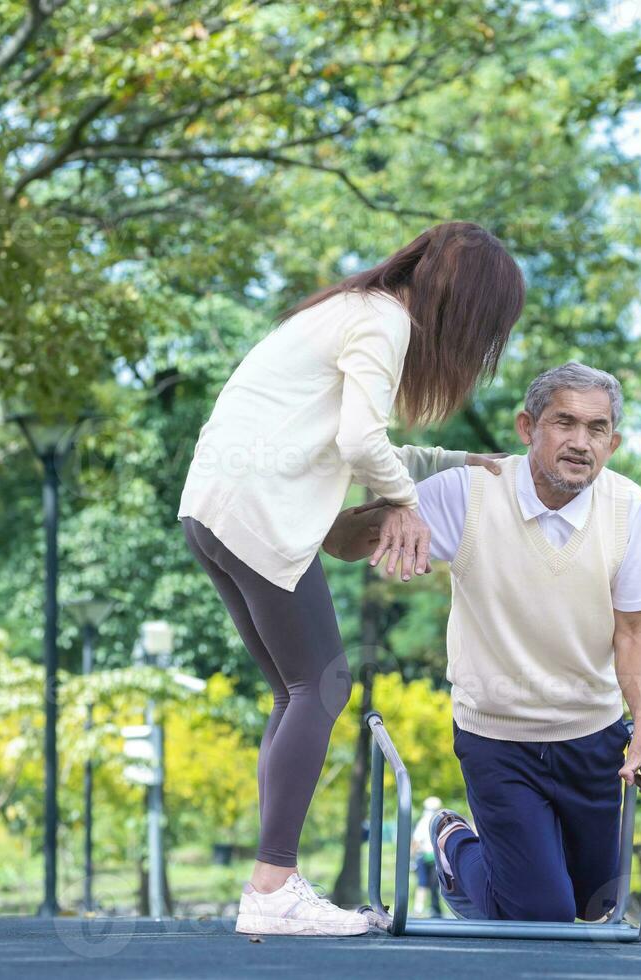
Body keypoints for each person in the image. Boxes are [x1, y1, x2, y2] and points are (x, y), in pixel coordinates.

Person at [177, 222, 525, 937]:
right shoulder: (385, 322)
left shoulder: (348, 309)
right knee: (323, 684)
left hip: (211, 508)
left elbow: (356, 440)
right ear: (466, 305)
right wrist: (403, 504)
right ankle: (273, 887)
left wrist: (454, 462)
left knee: (294, 690)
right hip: (260, 513)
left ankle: (272, 883)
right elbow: (361, 443)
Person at [325, 362, 641, 923]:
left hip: (593, 735)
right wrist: (393, 510)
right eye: (564, 422)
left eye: (597, 428)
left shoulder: (627, 507)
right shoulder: (470, 492)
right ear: (527, 427)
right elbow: (339, 545)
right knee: (543, 917)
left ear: (614, 441)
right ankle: (454, 845)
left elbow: (636, 631)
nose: (581, 443)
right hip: (497, 737)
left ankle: (529, 871)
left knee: (595, 906)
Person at [411, 797, 446, 918]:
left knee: (424, 883)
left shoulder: (424, 820)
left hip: (426, 856)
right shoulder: (438, 821)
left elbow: (416, 841)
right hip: (433, 857)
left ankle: (421, 908)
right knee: (432, 884)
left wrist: (412, 856)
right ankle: (432, 908)